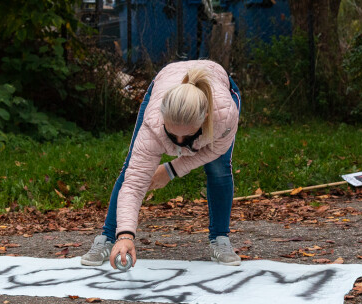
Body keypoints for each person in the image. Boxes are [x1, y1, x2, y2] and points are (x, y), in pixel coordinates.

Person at [80, 60, 242, 268]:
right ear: (162, 118)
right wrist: (126, 234)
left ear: (205, 119)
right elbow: (135, 183)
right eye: (173, 134)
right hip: (166, 81)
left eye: (188, 135)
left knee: (219, 169)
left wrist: (170, 170)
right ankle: (111, 237)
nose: (180, 144)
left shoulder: (224, 117)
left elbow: (215, 150)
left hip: (219, 86)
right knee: (132, 169)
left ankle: (220, 238)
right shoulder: (153, 123)